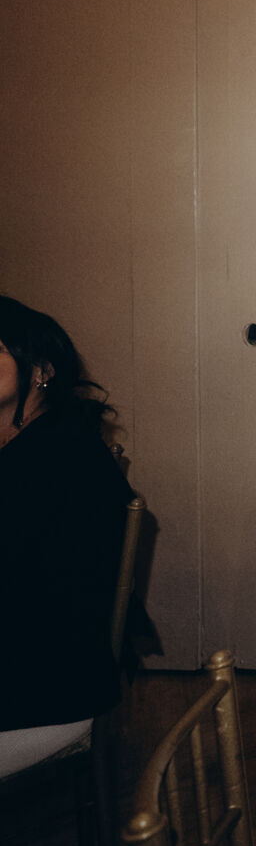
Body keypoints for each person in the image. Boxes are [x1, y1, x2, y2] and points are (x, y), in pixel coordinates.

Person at [0, 297, 136, 780]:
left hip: (44, 681)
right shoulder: (31, 441)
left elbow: (35, 588)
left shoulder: (60, 456)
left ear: (41, 370)